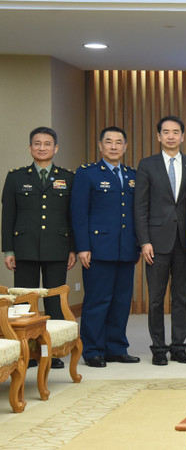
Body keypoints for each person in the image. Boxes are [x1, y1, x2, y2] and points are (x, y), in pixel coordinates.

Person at [2, 126, 76, 369]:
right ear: (30, 147)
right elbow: (8, 215)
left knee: (54, 302)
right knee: (25, 301)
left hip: (57, 246)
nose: (42, 148)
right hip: (25, 247)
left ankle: (51, 352)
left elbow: (71, 215)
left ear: (56, 148)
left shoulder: (67, 176)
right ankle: (29, 350)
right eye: (37, 143)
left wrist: (73, 248)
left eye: (47, 144)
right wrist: (8, 250)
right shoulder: (16, 176)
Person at [71, 126, 141, 367]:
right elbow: (79, 214)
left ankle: (116, 348)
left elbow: (137, 214)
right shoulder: (87, 173)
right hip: (98, 249)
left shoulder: (133, 175)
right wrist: (82, 247)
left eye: (118, 142)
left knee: (121, 302)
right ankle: (93, 351)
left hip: (126, 248)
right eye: (108, 142)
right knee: (97, 301)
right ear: (100, 146)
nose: (113, 146)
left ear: (125, 147)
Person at [134, 116, 186, 365]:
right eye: (166, 132)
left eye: (176, 132)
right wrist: (144, 241)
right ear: (159, 136)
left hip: (184, 242)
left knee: (183, 297)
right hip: (156, 243)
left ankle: (179, 346)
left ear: (182, 136)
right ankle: (158, 349)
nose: (171, 136)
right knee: (155, 298)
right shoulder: (147, 165)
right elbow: (139, 207)